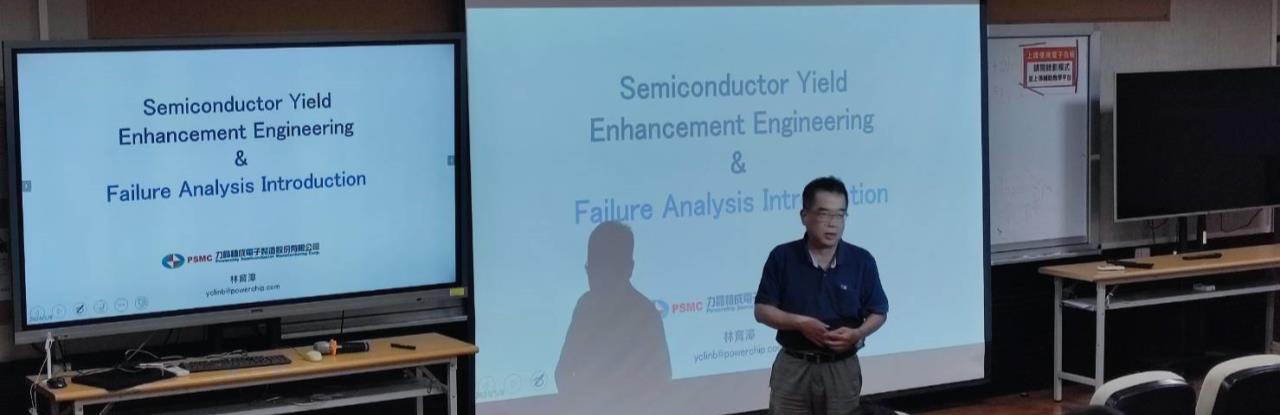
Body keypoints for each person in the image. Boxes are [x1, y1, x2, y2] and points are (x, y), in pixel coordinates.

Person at [755, 176, 889, 415]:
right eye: (824, 214)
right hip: (794, 365)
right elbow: (762, 310)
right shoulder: (782, 256)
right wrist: (799, 323)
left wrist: (858, 333)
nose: (832, 224)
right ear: (804, 216)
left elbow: (878, 311)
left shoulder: (861, 260)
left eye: (840, 215)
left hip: (841, 368)